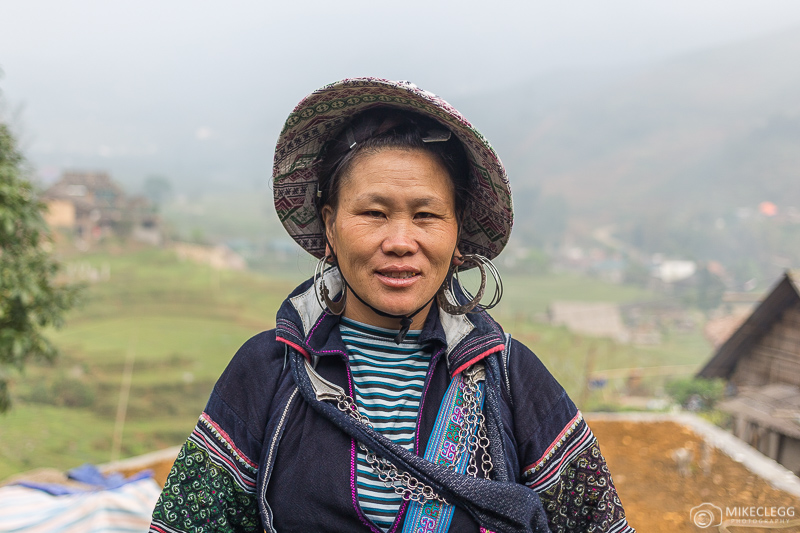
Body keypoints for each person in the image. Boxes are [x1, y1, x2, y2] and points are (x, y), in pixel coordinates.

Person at [149, 78, 634, 533]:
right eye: (374, 213)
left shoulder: (511, 378)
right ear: (331, 226)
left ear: (456, 233)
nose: (401, 242)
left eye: (426, 215)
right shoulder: (267, 371)